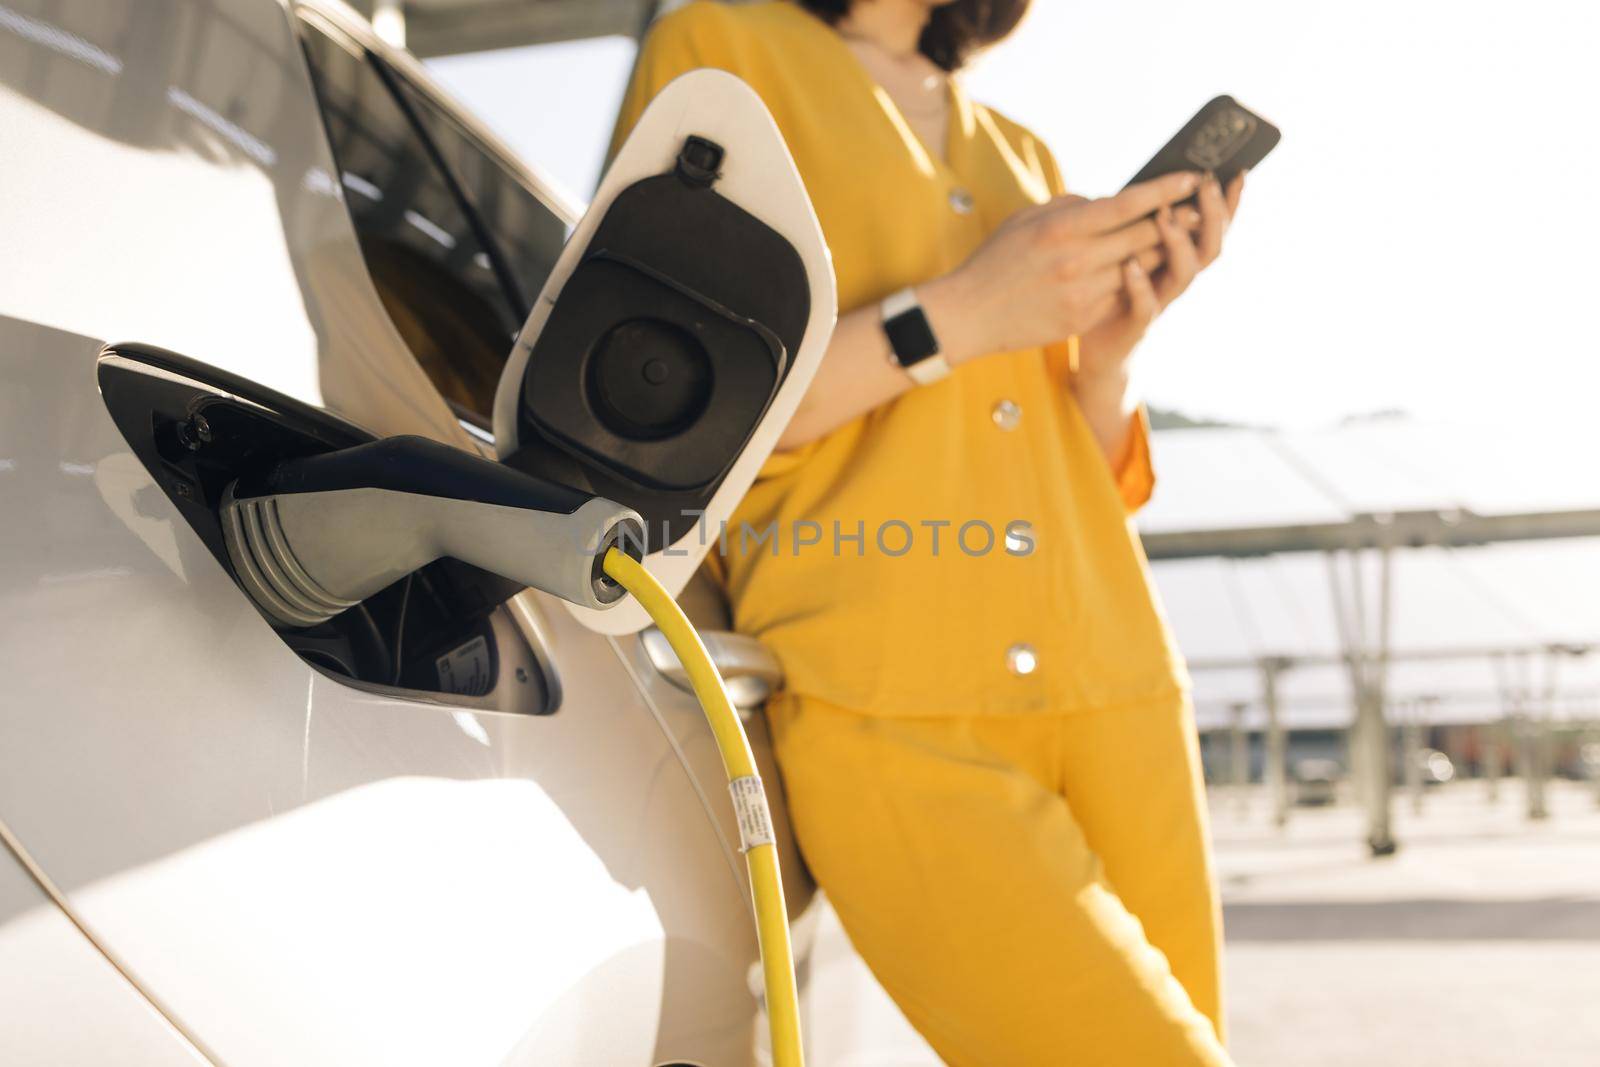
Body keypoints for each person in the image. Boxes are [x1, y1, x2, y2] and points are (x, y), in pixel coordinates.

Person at [612, 2, 1245, 1062]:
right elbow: (673, 394)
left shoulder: (1019, 148)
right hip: (890, 698)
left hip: (1119, 682)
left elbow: (1071, 469)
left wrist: (1110, 355)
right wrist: (957, 310)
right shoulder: (720, 43)